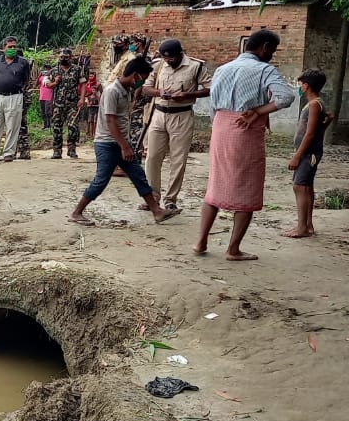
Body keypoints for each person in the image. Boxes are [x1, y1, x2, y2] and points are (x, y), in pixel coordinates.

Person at [193, 29, 296, 261]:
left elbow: (212, 106)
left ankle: (200, 242)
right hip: (246, 129)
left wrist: (221, 124)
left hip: (220, 127)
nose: (272, 55)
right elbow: (285, 97)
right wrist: (258, 111)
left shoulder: (222, 69)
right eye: (273, 50)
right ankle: (233, 249)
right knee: (247, 187)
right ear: (265, 47)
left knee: (215, 185)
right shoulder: (264, 69)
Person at [68, 58, 181, 226]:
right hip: (108, 143)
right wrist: (125, 147)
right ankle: (76, 212)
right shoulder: (112, 91)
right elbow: (111, 122)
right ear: (135, 76)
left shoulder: (126, 90)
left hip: (121, 143)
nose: (143, 82)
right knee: (101, 180)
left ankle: (157, 211)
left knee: (138, 175)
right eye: (142, 78)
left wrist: (124, 145)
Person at [140, 39, 210, 211]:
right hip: (159, 114)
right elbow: (145, 88)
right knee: (152, 157)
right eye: (166, 59)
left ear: (180, 53)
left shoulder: (196, 66)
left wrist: (187, 94)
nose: (169, 61)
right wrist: (159, 92)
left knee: (178, 159)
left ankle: (171, 198)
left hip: (182, 115)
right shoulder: (158, 65)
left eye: (172, 58)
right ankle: (153, 197)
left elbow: (209, 88)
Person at [284, 69, 331, 239]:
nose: (300, 86)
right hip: (309, 152)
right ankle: (307, 225)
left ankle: (302, 227)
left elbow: (310, 133)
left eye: (302, 83)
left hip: (308, 153)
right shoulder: (316, 104)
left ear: (307, 86)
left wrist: (297, 155)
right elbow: (317, 130)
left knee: (300, 186)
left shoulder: (314, 105)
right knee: (307, 186)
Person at [0, 37, 32, 162]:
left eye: (14, 46)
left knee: (12, 126)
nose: (13, 49)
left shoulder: (23, 62)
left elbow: (26, 80)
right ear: (3, 48)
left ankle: (9, 153)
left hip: (14, 96)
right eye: (10, 47)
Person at [48, 48, 85, 159]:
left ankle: (72, 149)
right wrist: (55, 81)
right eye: (61, 57)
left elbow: (83, 84)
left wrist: (82, 99)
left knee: (73, 126)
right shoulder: (54, 71)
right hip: (58, 104)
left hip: (72, 103)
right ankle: (57, 151)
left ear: (70, 58)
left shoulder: (77, 69)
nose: (63, 59)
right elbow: (48, 85)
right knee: (57, 127)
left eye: (66, 57)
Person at [82, 73, 100, 137]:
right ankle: (88, 132)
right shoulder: (87, 84)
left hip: (95, 104)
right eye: (89, 76)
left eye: (92, 76)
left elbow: (101, 92)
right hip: (88, 101)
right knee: (87, 119)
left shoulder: (97, 84)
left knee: (94, 121)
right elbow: (84, 92)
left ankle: (94, 133)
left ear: (94, 76)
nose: (90, 77)